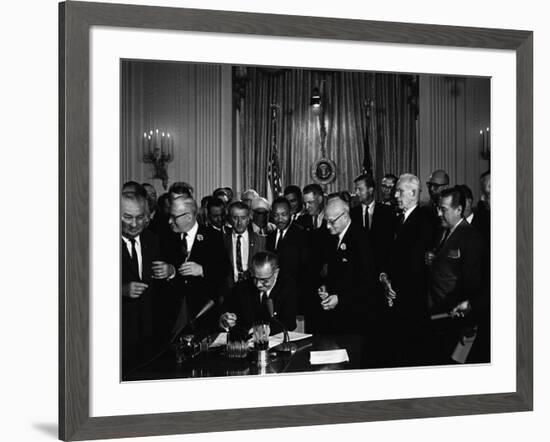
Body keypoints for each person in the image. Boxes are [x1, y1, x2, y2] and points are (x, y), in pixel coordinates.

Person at [379, 174, 435, 366]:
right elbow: (388, 256)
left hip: (412, 303)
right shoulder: (396, 219)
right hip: (394, 299)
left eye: (400, 191)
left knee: (411, 356)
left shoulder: (425, 221)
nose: (395, 195)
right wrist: (384, 278)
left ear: (413, 193)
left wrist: (394, 289)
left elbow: (415, 266)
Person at [425, 186, 484, 364]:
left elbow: (472, 283)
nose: (438, 213)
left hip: (452, 318)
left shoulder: (471, 237)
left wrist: (466, 319)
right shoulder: (443, 231)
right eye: (438, 208)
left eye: (443, 209)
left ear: (459, 210)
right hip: (436, 312)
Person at [157, 196, 229, 338]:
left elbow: (224, 271)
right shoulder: (166, 239)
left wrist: (202, 270)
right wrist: (170, 271)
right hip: (174, 317)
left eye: (173, 217)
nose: (169, 221)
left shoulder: (213, 237)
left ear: (188, 216)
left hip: (205, 314)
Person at [315, 197, 374, 333]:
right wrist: (326, 288)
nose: (328, 226)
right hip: (337, 315)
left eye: (332, 222)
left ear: (345, 216)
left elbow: (367, 282)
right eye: (326, 221)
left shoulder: (361, 238)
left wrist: (340, 299)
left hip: (357, 316)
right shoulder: (332, 237)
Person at [120, 191, 160, 375]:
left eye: (139, 217)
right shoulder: (97, 242)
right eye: (127, 217)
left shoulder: (152, 240)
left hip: (148, 334)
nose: (134, 224)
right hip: (118, 335)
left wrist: (169, 271)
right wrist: (120, 291)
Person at [219, 251, 297, 335]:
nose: (258, 284)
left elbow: (290, 324)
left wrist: (267, 330)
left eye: (264, 280)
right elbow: (225, 314)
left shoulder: (287, 287)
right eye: (255, 278)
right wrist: (225, 321)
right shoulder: (241, 288)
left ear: (276, 272)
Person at [266, 197, 310, 319]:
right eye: (276, 215)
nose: (279, 219)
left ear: (291, 213)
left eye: (284, 215)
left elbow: (305, 271)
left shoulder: (302, 235)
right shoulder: (269, 236)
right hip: (273, 298)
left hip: (294, 298)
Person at [351, 173, 395, 273]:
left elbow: (389, 244)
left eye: (360, 189)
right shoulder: (352, 214)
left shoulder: (387, 212)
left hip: (380, 270)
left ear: (370, 190)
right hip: (358, 271)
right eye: (356, 189)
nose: (357, 193)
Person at [223, 201, 266, 289]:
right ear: (230, 219)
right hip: (229, 292)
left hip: (253, 290)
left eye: (243, 218)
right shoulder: (223, 240)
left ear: (249, 218)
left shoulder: (260, 241)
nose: (239, 222)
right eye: (235, 218)